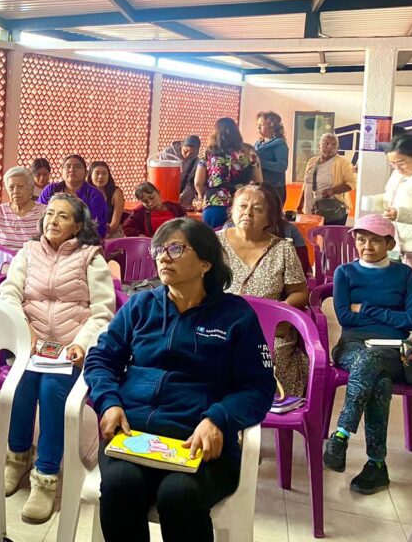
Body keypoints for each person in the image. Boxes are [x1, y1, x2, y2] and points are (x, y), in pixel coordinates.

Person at [85, 218, 275, 542]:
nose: (163, 257)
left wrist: (219, 419)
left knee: (179, 495)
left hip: (198, 441)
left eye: (176, 248)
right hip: (134, 435)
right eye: (160, 249)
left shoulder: (235, 315)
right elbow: (102, 358)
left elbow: (258, 386)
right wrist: (109, 402)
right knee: (119, 487)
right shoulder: (141, 305)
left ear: (205, 262)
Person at [0, 194, 115, 524]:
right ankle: (16, 456)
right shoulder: (28, 251)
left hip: (69, 349)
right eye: (49, 214)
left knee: (51, 390)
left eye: (63, 217)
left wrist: (80, 344)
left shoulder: (90, 258)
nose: (52, 220)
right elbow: (9, 294)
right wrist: (25, 331)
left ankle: (46, 476)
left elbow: (103, 311)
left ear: (77, 225)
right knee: (20, 385)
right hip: (31, 344)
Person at [322, 215, 412, 495]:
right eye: (361, 238)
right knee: (370, 361)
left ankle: (341, 436)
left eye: (375, 240)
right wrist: (392, 317)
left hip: (395, 353)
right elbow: (344, 316)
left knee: (379, 376)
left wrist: (365, 309)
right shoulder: (345, 272)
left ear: (389, 243)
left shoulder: (406, 275)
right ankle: (376, 465)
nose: (366, 245)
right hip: (353, 348)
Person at [218, 184, 309, 398]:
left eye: (257, 209)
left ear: (269, 218)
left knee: (270, 354)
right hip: (222, 325)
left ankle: (264, 404)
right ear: (232, 210)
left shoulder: (283, 248)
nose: (248, 213)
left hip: (269, 328)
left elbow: (300, 292)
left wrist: (279, 314)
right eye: (242, 206)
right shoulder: (213, 243)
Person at [383, 134, 412, 294]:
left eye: (401, 162)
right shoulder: (398, 174)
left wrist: (400, 213)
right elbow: (392, 197)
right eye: (392, 163)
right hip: (397, 244)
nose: (397, 168)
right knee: (398, 294)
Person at [195, 118, 263, 229]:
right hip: (241, 204)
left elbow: (198, 182)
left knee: (212, 242)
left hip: (213, 203)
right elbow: (258, 182)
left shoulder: (208, 152)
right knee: (238, 242)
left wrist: (201, 197)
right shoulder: (249, 152)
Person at [38, 154, 108, 239]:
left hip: (83, 243)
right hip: (51, 239)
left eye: (77, 166)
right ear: (62, 171)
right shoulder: (50, 190)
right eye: (67, 166)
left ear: (86, 173)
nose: (72, 170)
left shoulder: (94, 195)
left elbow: (98, 229)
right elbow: (39, 218)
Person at [0, 166, 46, 253]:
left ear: (31, 189)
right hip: (4, 263)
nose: (15, 191)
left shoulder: (43, 212)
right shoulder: (1, 210)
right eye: (11, 187)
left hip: (31, 262)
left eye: (21, 186)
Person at [298, 132, 356, 226]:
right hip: (310, 211)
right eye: (326, 143)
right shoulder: (312, 161)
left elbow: (352, 183)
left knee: (330, 240)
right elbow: (307, 184)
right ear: (319, 145)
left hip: (332, 212)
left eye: (334, 144)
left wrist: (332, 191)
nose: (330, 147)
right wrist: (300, 205)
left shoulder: (343, 163)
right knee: (311, 239)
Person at [255, 112, 289, 207]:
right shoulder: (258, 143)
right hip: (260, 186)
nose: (258, 128)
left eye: (261, 125)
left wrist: (260, 162)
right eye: (257, 125)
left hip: (274, 188)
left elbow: (281, 166)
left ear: (272, 126)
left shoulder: (279, 144)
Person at [161, 135, 202, 208]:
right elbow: (161, 175)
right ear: (182, 145)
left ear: (197, 151)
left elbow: (192, 184)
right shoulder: (168, 153)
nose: (188, 155)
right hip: (165, 191)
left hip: (183, 196)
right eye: (185, 151)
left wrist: (182, 199)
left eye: (192, 153)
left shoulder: (197, 162)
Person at [90, 161, 126, 238]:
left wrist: (103, 235)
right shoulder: (85, 192)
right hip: (89, 232)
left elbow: (115, 223)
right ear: (90, 175)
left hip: (111, 232)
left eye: (104, 173)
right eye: (97, 173)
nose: (100, 177)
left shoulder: (116, 193)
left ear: (108, 176)